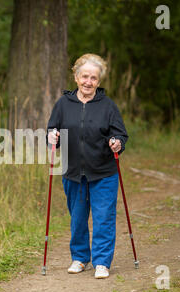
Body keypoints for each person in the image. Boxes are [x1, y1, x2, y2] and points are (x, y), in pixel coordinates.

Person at [46, 53, 128, 279]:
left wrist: (117, 142)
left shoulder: (108, 106)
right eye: (84, 76)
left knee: (104, 217)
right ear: (76, 77)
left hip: (103, 172)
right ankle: (80, 258)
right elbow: (52, 130)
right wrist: (52, 137)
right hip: (73, 172)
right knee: (78, 218)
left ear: (98, 82)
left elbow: (120, 133)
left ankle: (102, 262)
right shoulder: (63, 104)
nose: (88, 82)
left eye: (93, 78)